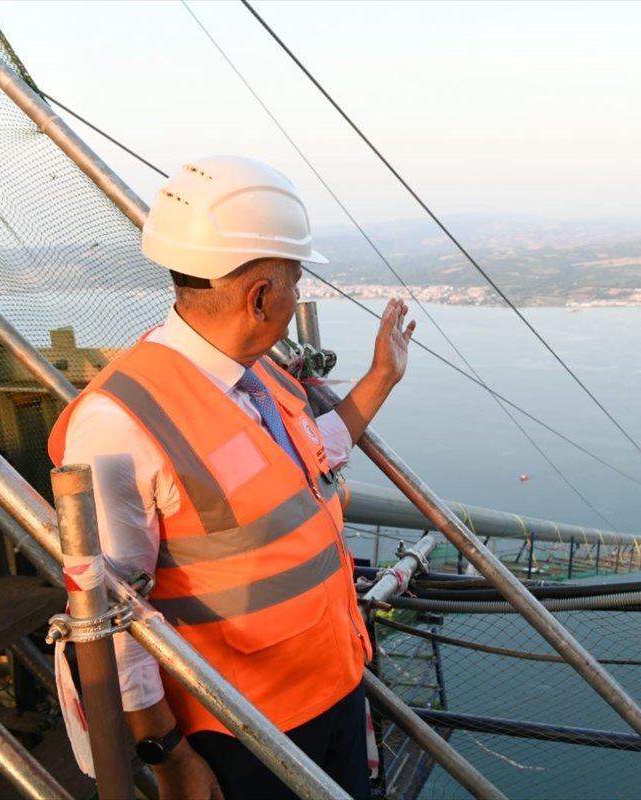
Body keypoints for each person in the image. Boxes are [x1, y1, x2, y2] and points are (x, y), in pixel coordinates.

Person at [47, 155, 414, 800]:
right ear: (262, 295)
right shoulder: (121, 422)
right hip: (244, 729)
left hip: (334, 683)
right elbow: (112, 616)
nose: (297, 297)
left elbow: (305, 459)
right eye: (295, 281)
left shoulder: (260, 375)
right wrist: (168, 757)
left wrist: (380, 377)